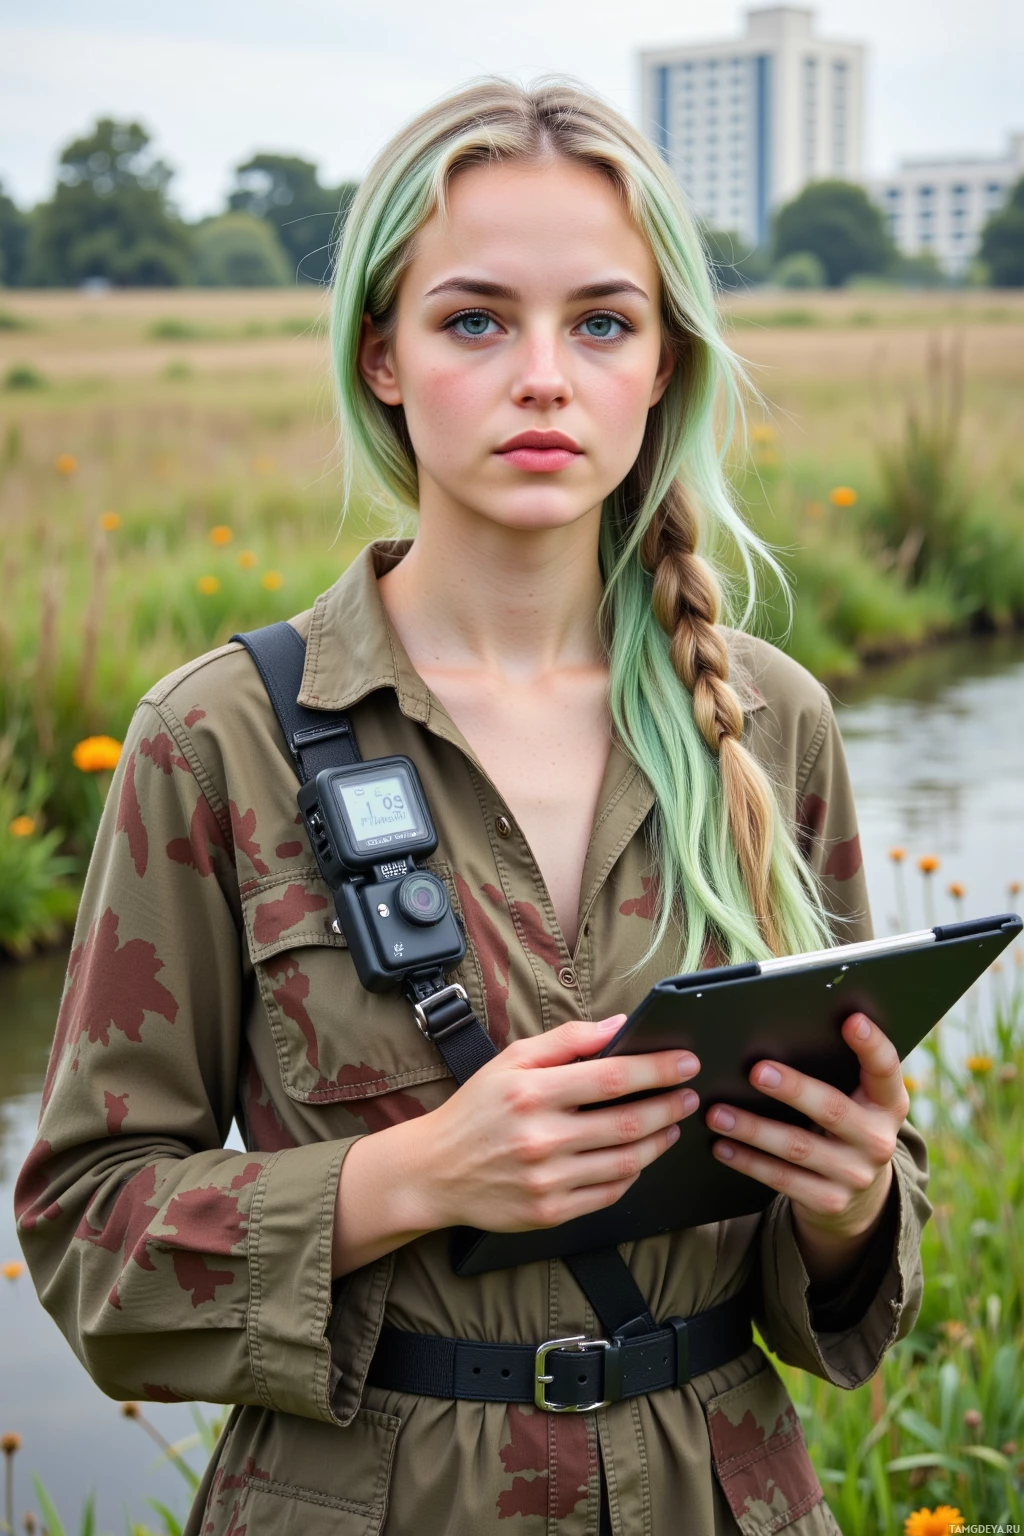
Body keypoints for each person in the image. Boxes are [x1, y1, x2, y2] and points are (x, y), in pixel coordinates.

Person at [16, 78, 930, 1536]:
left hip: (723, 1495)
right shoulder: (218, 739)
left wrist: (847, 1199)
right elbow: (83, 1240)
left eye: (603, 323)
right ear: (382, 354)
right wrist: (415, 1175)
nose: (546, 377)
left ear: (663, 366)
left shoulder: (772, 723)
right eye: (474, 320)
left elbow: (849, 1297)